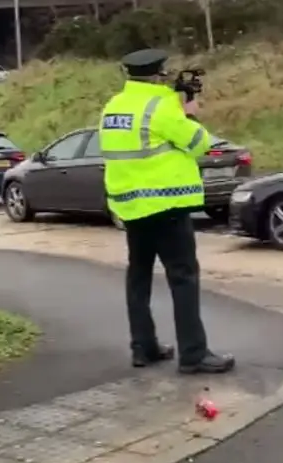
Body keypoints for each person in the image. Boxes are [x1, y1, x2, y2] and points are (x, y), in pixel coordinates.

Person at [98, 48, 235, 375]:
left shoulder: (113, 106)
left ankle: (143, 348)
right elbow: (199, 143)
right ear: (159, 74)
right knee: (183, 278)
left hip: (131, 206)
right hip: (167, 206)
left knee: (138, 278)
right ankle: (193, 354)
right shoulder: (161, 106)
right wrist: (189, 112)